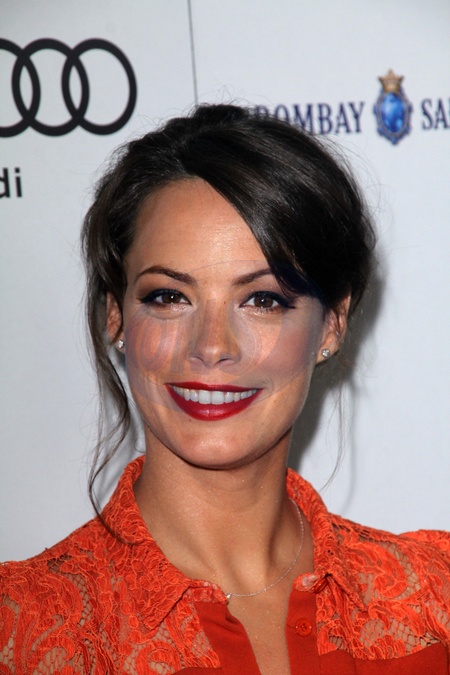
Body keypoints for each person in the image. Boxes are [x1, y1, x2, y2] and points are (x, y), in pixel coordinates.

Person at [0, 104, 448, 674]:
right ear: (116, 316)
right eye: (169, 297)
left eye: (263, 300)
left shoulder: (435, 598)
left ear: (330, 326)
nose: (211, 346)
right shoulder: (21, 632)